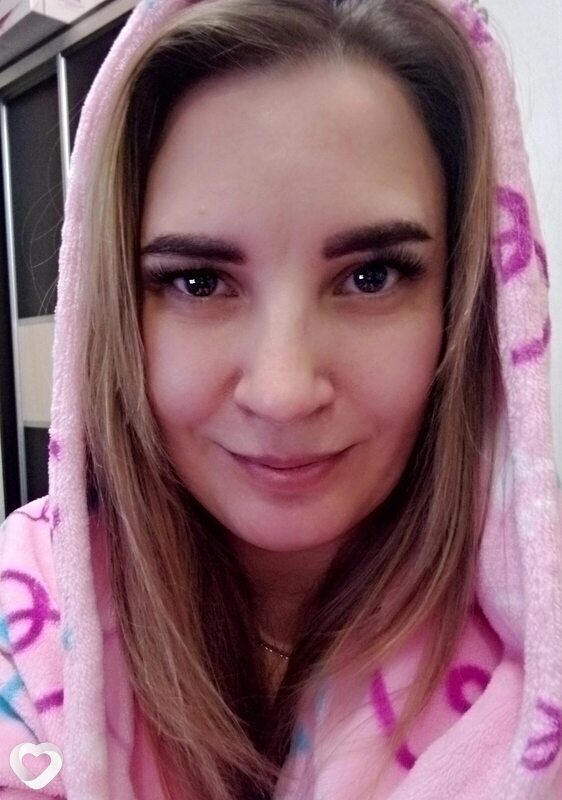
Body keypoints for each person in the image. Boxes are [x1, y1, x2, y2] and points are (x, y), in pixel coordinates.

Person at [0, 0, 561, 797]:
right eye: (199, 282)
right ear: (116, 310)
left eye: (371, 276)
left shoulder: (540, 633)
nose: (284, 392)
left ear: (468, 299)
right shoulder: (28, 614)